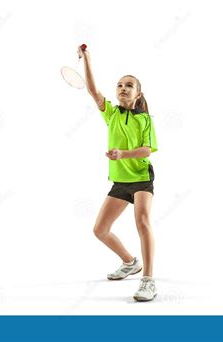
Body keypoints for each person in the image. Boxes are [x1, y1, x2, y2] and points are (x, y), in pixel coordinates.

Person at [77, 45, 158, 302]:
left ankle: (148, 281)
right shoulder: (111, 114)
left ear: (138, 93)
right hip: (120, 182)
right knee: (100, 230)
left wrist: (123, 154)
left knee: (142, 223)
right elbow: (92, 90)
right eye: (119, 85)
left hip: (142, 180)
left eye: (129, 85)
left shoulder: (144, 119)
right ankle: (130, 262)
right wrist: (87, 58)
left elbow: (147, 150)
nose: (122, 88)